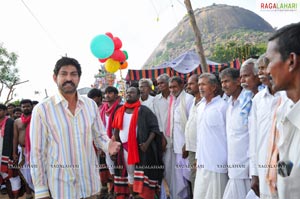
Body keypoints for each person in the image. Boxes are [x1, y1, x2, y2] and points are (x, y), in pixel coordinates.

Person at [29, 57, 121, 199]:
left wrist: (108, 145)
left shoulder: (90, 105)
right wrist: (41, 190)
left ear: (78, 78)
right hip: (62, 190)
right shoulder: (42, 110)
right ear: (55, 77)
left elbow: (100, 136)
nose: (69, 78)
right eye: (64, 74)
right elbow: (37, 153)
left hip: (91, 186)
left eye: (73, 74)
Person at [265, 22, 300, 199]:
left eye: (270, 61)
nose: (267, 69)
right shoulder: (285, 113)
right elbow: (286, 173)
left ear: (291, 61)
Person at [112, 86, 164, 199]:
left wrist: (147, 143)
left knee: (142, 174)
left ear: (138, 96)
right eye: (127, 92)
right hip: (125, 148)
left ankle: (143, 195)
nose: (129, 94)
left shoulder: (144, 110)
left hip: (141, 148)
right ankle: (132, 194)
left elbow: (154, 129)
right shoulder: (120, 110)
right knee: (130, 174)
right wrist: (115, 148)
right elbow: (115, 131)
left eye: (132, 92)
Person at [248, 53, 283, 198]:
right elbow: (254, 137)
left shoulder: (287, 97)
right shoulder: (257, 100)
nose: (260, 72)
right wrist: (254, 173)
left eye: (264, 67)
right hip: (263, 164)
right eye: (259, 68)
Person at [194, 73, 228, 198]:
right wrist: (197, 157)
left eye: (203, 84)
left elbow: (229, 135)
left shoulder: (223, 106)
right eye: (199, 85)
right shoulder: (200, 106)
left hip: (218, 162)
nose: (200, 87)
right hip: (203, 162)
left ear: (214, 87)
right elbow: (200, 135)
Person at [220, 68, 251, 199]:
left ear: (238, 81)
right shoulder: (229, 104)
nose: (224, 85)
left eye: (227, 81)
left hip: (247, 167)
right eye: (222, 82)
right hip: (234, 165)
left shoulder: (248, 101)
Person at [168, 76, 194, 199]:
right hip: (177, 147)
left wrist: (187, 144)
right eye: (170, 87)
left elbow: (192, 124)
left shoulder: (189, 100)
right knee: (181, 180)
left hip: (186, 148)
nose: (172, 89)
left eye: (174, 87)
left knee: (190, 177)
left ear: (182, 86)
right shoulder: (173, 101)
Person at [99, 86, 122, 197]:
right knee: (111, 167)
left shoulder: (120, 108)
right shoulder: (103, 109)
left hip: (118, 142)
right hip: (106, 142)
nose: (107, 95)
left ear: (116, 95)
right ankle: (114, 189)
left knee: (120, 168)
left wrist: (114, 143)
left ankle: (120, 191)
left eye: (110, 93)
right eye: (106, 93)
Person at [153, 73, 173, 198]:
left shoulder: (174, 97)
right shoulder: (156, 100)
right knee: (166, 167)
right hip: (164, 138)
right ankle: (167, 193)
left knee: (177, 169)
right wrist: (162, 138)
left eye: (162, 83)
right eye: (158, 83)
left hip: (177, 137)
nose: (159, 86)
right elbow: (157, 120)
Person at [13, 99, 34, 199]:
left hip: (35, 150)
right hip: (23, 150)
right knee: (25, 172)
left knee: (37, 171)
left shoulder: (36, 118)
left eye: (28, 106)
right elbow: (15, 138)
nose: (26, 108)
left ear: (32, 107)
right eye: (23, 106)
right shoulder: (17, 121)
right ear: (21, 108)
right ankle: (28, 192)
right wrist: (14, 153)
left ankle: (41, 192)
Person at [184, 74, 201, 193]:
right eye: (188, 83)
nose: (188, 86)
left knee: (199, 180)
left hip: (200, 150)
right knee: (194, 178)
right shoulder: (194, 100)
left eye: (191, 83)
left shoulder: (205, 102)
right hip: (191, 148)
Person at [0, 104, 21, 199]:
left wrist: (14, 153)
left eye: (0, 110)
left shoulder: (10, 122)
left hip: (8, 155)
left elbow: (15, 139)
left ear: (5, 111)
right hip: (0, 156)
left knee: (13, 177)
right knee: (5, 178)